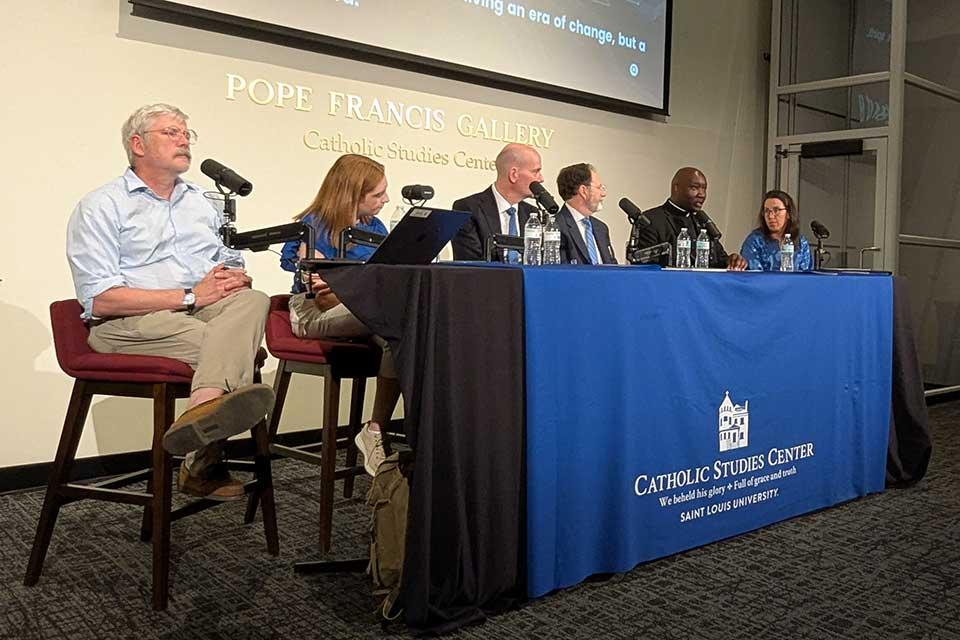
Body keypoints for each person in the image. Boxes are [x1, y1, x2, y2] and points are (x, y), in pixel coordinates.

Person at [66, 103, 273, 501]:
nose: (184, 140)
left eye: (186, 134)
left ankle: (202, 407)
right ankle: (202, 461)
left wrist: (234, 276)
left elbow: (225, 259)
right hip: (128, 323)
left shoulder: (200, 202)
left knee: (253, 299)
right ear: (137, 144)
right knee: (226, 346)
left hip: (197, 309)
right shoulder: (101, 205)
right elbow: (102, 299)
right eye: (171, 133)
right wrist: (192, 295)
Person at [279, 154, 400, 476]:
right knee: (396, 316)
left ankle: (375, 431)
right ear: (351, 194)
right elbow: (321, 292)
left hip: (364, 310)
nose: (386, 199)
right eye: (378, 194)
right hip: (312, 312)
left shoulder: (375, 227)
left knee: (404, 333)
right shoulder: (312, 226)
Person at [637, 167, 747, 270]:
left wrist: (732, 261)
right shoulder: (650, 220)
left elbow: (719, 260)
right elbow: (647, 270)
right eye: (694, 188)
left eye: (704, 189)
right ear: (676, 188)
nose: (702, 194)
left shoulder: (702, 221)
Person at [451, 143, 542, 261]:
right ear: (514, 174)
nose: (541, 179)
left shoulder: (532, 213)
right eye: (536, 172)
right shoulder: (468, 208)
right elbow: (471, 264)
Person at [554, 163, 617, 264]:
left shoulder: (601, 228)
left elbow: (612, 266)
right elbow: (561, 272)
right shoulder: (556, 226)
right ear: (583, 191)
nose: (603, 194)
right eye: (599, 188)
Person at [740, 190, 813, 271]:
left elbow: (807, 275)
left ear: (788, 213)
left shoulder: (801, 242)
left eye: (776, 210)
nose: (770, 216)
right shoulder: (754, 241)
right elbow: (754, 276)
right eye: (767, 211)